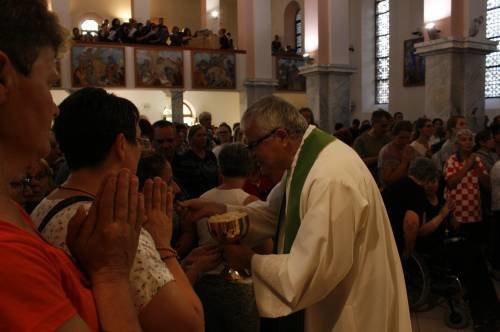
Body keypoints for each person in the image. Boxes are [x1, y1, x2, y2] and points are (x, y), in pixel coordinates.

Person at [183, 96, 411, 332]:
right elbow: (276, 215)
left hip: (348, 307)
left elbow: (311, 271)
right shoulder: (305, 161)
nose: (251, 156)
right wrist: (222, 210)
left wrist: (249, 260)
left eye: (252, 146)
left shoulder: (329, 177)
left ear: (280, 137)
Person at [0, 1, 144, 330]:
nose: (54, 109)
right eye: (49, 84)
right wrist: (111, 275)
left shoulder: (11, 209)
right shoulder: (7, 259)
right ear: (3, 79)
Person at [30, 88, 204, 331]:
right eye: (139, 140)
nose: (141, 150)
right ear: (121, 145)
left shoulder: (45, 204)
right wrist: (162, 245)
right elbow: (189, 323)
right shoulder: (116, 227)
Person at [196, 143, 262, 332]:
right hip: (239, 286)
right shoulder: (251, 203)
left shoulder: (203, 199)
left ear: (220, 168)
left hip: (205, 281)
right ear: (250, 170)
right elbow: (265, 249)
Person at [444, 128, 490, 245]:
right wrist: (468, 164)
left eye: (470, 140)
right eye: (464, 140)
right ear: (457, 143)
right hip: (457, 214)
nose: (468, 143)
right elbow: (451, 183)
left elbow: (487, 184)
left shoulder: (477, 159)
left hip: (475, 213)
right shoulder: (452, 160)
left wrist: (476, 166)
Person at [173, 124, 219, 198]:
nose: (203, 138)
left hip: (213, 195)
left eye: (204, 135)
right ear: (191, 138)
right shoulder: (185, 158)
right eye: (199, 135)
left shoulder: (210, 155)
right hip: (195, 197)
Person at [353, 109, 392, 183]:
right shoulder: (361, 141)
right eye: (383, 126)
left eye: (388, 126)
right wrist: (379, 157)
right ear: (373, 123)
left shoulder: (388, 139)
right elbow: (357, 163)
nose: (387, 129)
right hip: (368, 180)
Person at [378, 120, 416, 188]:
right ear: (393, 136)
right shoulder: (387, 152)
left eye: (407, 138)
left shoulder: (408, 148)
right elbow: (388, 180)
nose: (404, 141)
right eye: (401, 138)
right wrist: (404, 162)